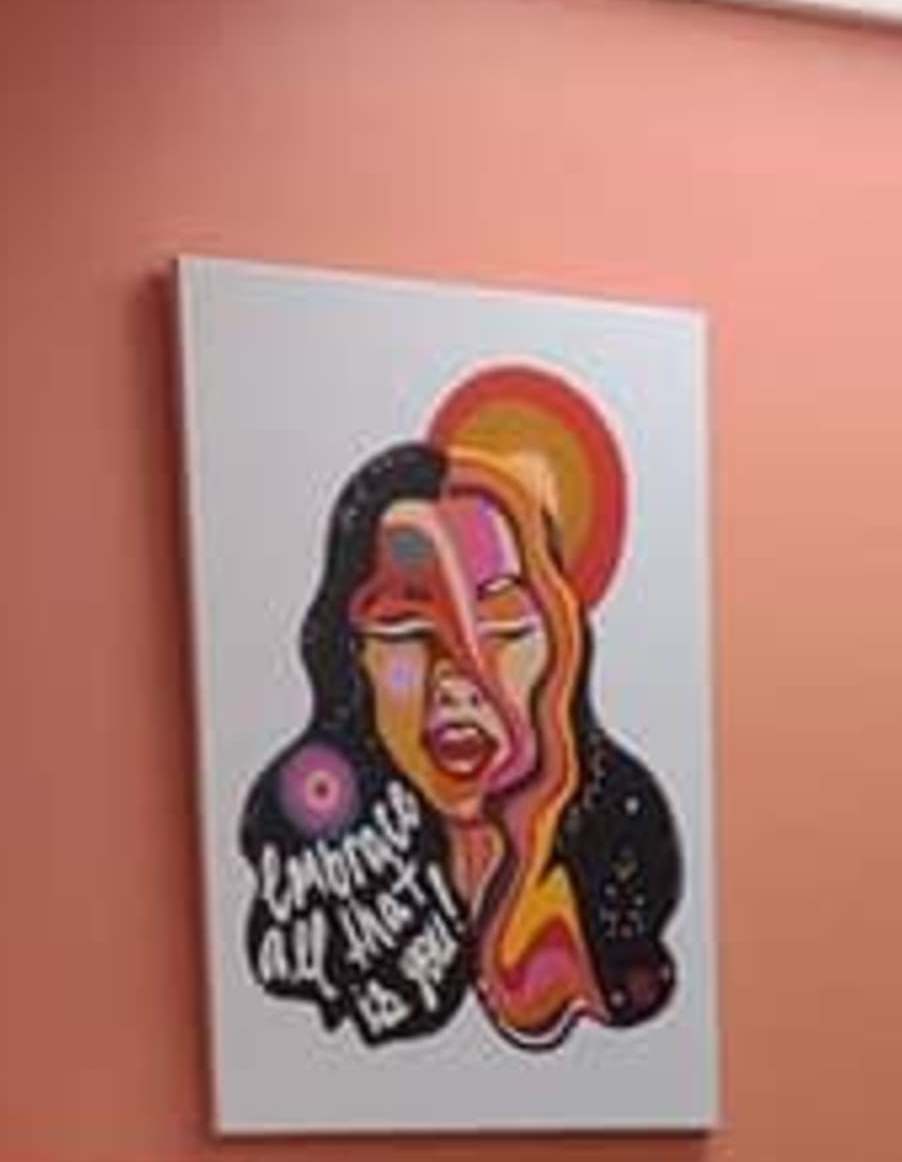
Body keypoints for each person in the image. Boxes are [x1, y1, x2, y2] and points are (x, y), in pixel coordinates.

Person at [240, 361, 682, 1055]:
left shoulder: (621, 848)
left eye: (504, 628)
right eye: (406, 633)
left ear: (560, 649)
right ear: (350, 655)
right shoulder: (313, 860)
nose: (457, 677)